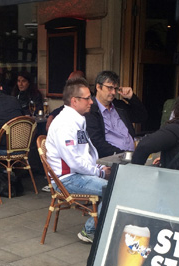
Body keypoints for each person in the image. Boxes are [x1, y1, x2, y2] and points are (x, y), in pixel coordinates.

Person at [46, 77, 110, 244]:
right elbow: (74, 162)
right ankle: (90, 230)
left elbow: (84, 154)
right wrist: (100, 172)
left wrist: (99, 167)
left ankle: (101, 227)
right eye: (87, 98)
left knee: (117, 182)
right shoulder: (65, 124)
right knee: (113, 189)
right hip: (66, 180)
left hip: (76, 175)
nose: (91, 101)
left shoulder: (76, 120)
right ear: (74, 101)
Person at [86, 70, 148, 158]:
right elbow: (97, 143)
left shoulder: (119, 106)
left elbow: (142, 117)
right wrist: (124, 155)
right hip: (111, 160)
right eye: (109, 88)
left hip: (132, 157)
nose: (114, 93)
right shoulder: (90, 109)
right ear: (98, 87)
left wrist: (131, 97)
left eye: (115, 89)